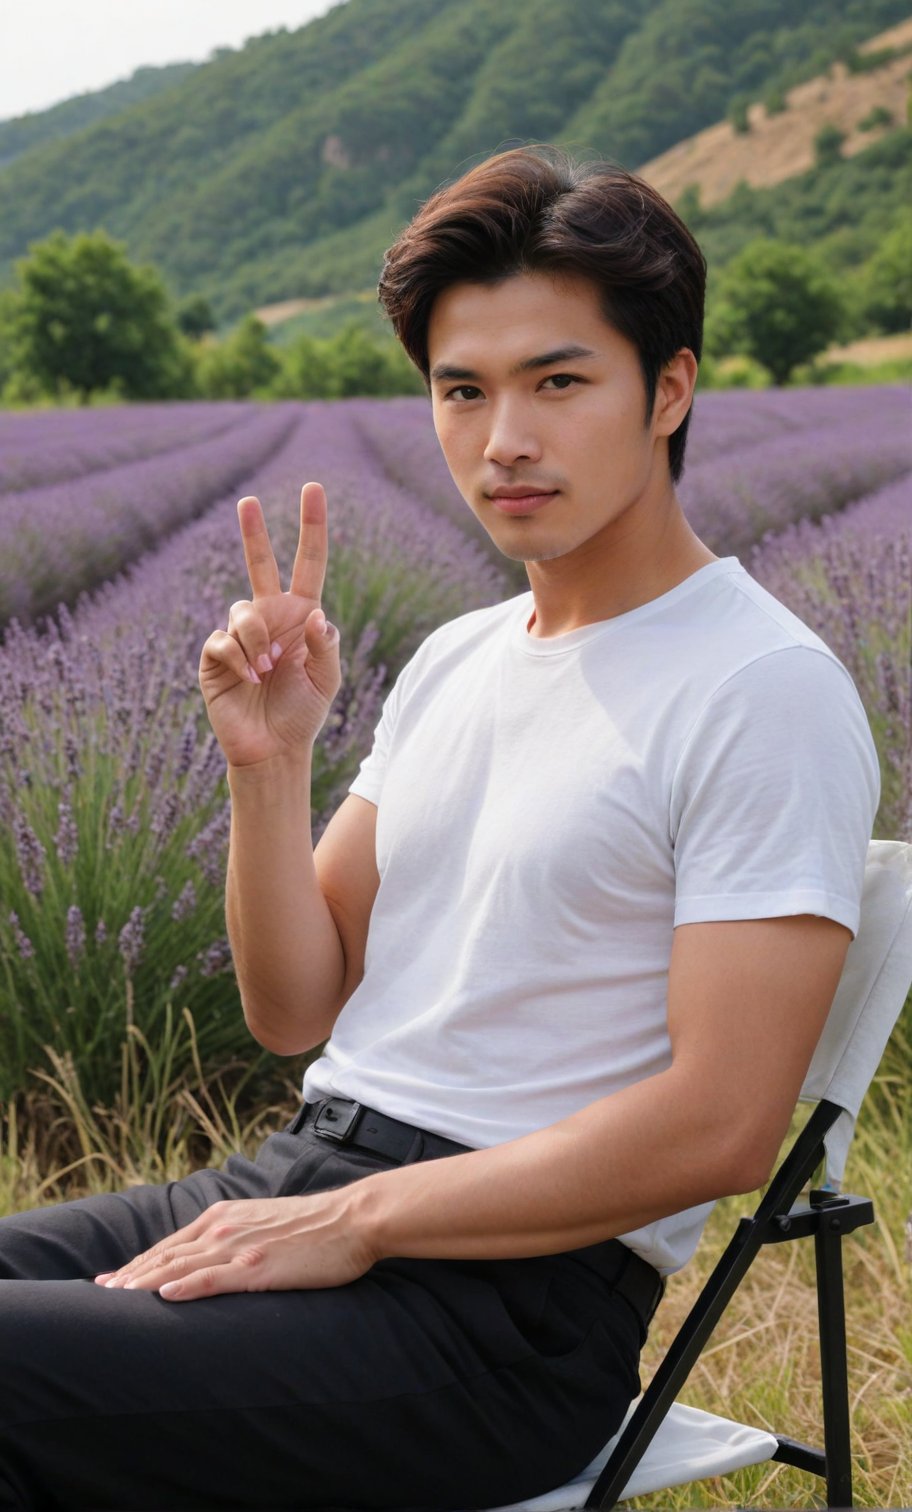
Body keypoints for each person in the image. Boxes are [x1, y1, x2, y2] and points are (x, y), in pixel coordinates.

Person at [0, 147, 879, 1511]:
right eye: (461, 390)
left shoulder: (760, 689)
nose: (502, 438)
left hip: (502, 1315)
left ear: (673, 389)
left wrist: (357, 1224)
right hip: (310, 1168)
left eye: (558, 382)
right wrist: (270, 765)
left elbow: (718, 1126)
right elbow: (296, 1009)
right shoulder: (461, 657)